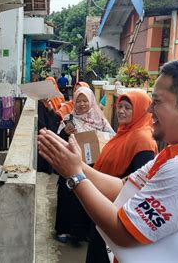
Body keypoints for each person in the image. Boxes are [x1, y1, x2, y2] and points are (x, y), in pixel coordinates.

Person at [38, 57, 178, 256]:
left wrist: (75, 175)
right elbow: (123, 188)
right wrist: (77, 163)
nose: (148, 109)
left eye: (156, 102)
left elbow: (123, 232)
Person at [86, 90, 158, 263]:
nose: (121, 111)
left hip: (118, 212)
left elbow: (139, 184)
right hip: (105, 203)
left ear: (141, 111)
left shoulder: (143, 141)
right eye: (120, 106)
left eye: (128, 107)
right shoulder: (124, 133)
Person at [54, 86, 114, 243]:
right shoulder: (69, 119)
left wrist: (98, 138)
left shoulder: (100, 119)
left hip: (93, 166)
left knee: (87, 199)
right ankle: (64, 230)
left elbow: (112, 138)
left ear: (91, 101)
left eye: (85, 101)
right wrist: (65, 133)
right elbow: (58, 141)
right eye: (78, 101)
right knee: (68, 197)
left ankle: (83, 232)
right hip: (70, 164)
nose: (81, 104)